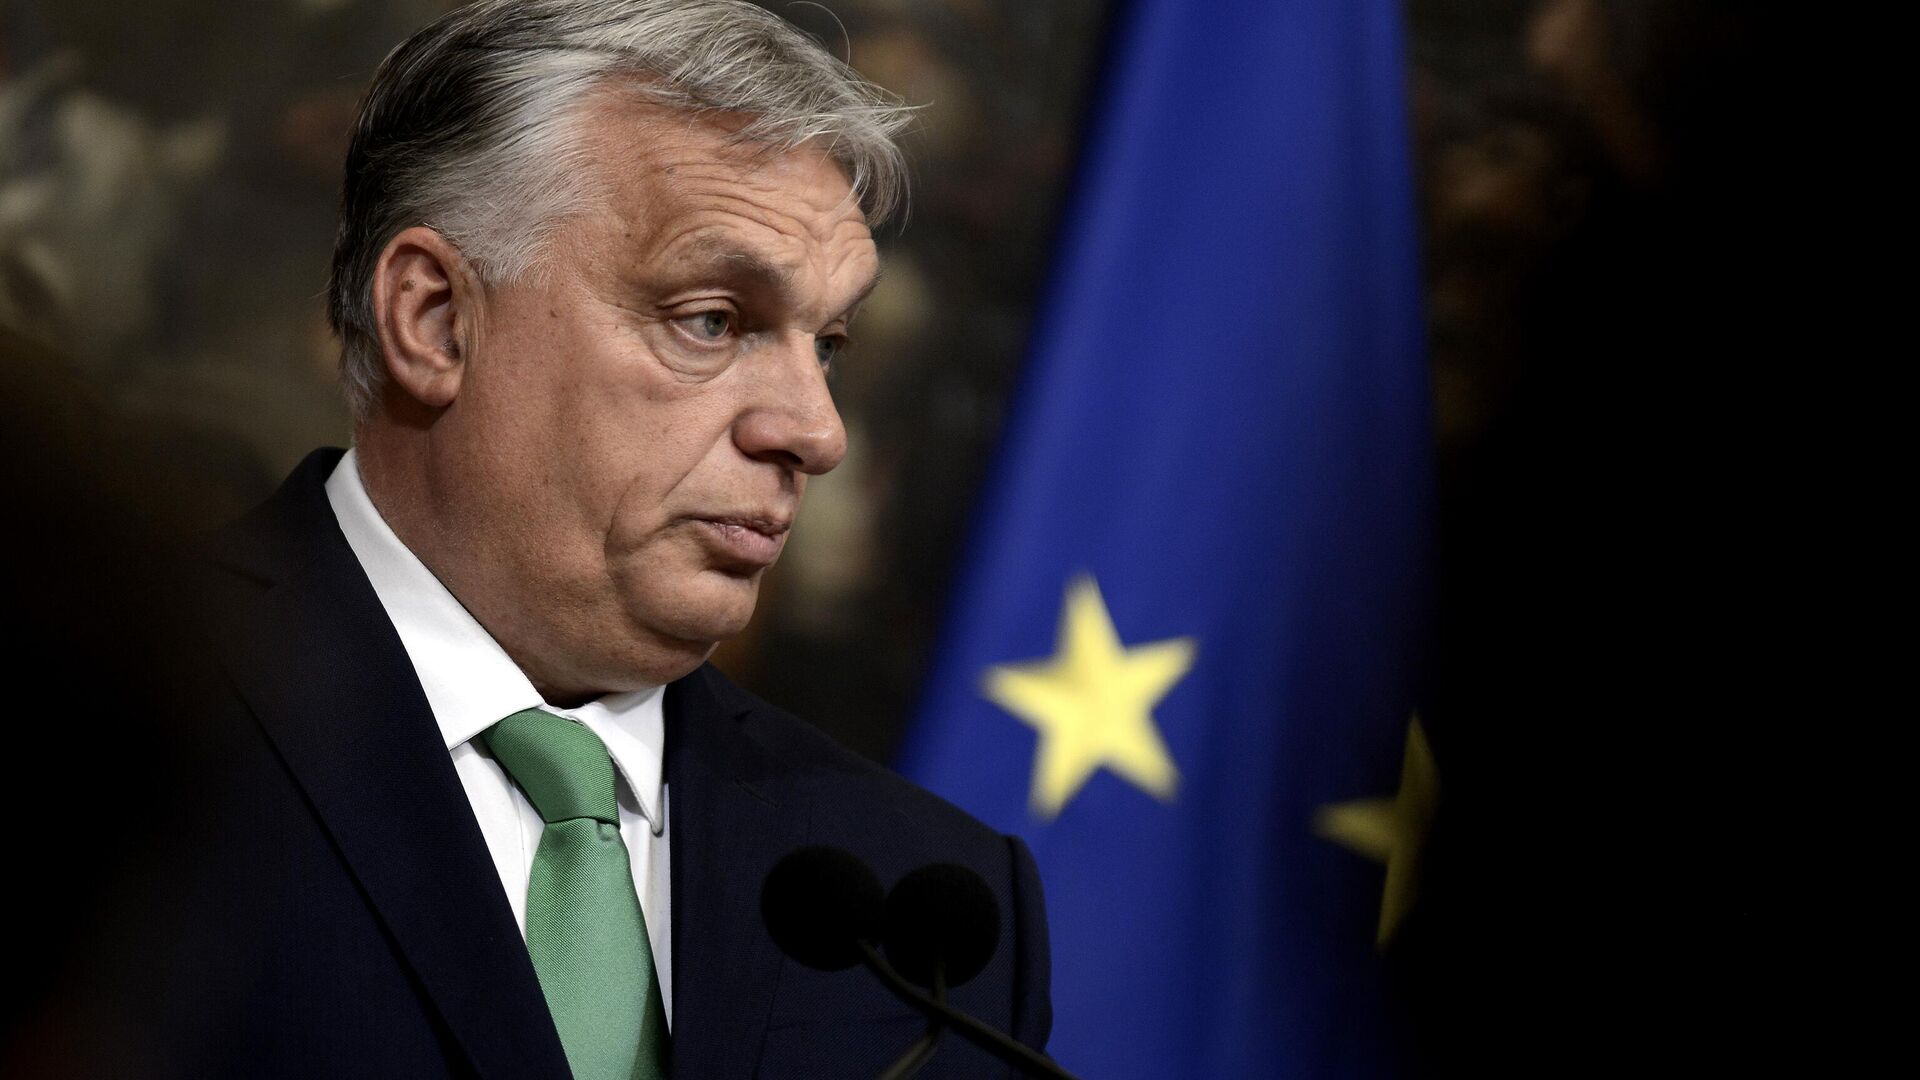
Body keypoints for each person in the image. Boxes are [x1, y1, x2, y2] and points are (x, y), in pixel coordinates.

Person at [10, 3, 1050, 1078]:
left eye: (827, 343)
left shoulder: (928, 927)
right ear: (435, 321)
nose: (817, 432)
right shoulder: (84, 724)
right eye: (711, 319)